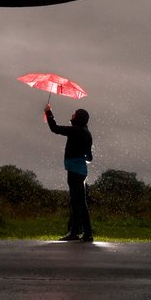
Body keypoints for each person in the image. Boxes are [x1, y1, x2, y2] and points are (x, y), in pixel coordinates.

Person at [44, 103, 94, 242]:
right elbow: (89, 157)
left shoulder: (76, 130)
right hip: (81, 170)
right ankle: (82, 232)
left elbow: (55, 128)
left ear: (79, 117)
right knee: (79, 202)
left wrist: (49, 112)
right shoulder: (87, 133)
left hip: (74, 170)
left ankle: (79, 233)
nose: (72, 115)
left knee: (77, 202)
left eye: (74, 113)